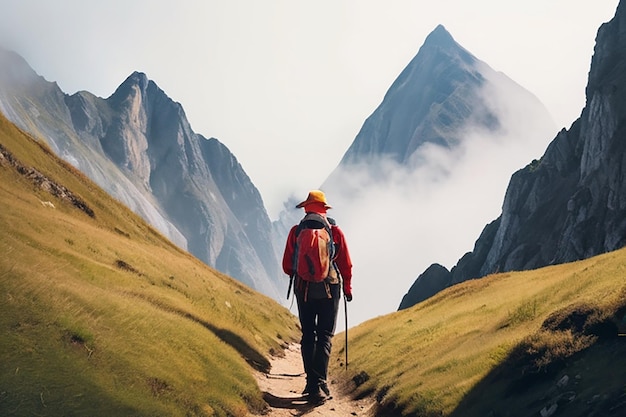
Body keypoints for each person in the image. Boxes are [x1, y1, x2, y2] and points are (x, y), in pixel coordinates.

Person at [282, 189, 353, 401]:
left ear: (306, 208)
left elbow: (287, 266)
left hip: (303, 289)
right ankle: (320, 384)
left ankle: (311, 383)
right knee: (324, 336)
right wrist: (347, 288)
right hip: (330, 288)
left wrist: (304, 271)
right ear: (324, 209)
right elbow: (346, 263)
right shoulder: (335, 231)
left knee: (308, 335)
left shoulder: (296, 231)